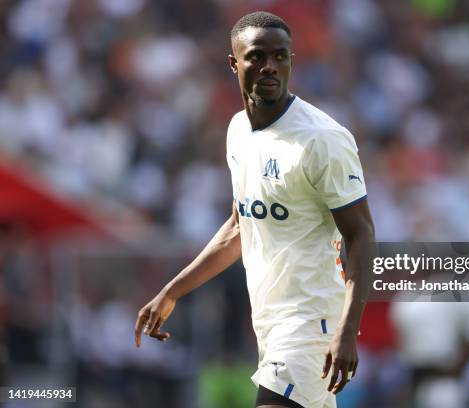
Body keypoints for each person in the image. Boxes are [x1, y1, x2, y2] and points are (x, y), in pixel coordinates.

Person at [134, 11, 375, 408]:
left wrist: (347, 330)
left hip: (312, 324)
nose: (269, 66)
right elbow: (238, 227)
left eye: (280, 56)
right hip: (269, 325)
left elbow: (362, 234)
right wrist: (172, 291)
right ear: (234, 62)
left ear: (292, 61)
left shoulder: (323, 139)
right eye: (256, 56)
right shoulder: (238, 131)